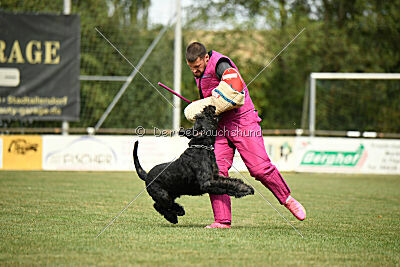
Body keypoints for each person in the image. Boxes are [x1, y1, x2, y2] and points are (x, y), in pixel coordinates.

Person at [184, 42, 306, 229]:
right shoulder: (199, 73)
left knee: (259, 169)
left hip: (243, 122)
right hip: (221, 126)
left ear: (206, 58)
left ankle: (287, 199)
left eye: (198, 67)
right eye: (191, 68)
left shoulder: (220, 64)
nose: (195, 71)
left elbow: (235, 85)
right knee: (214, 171)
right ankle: (222, 221)